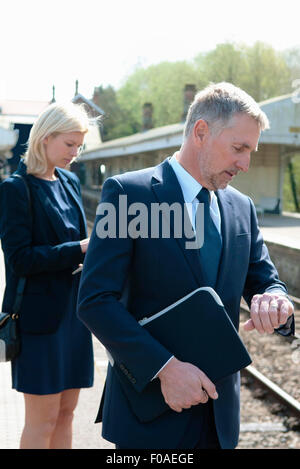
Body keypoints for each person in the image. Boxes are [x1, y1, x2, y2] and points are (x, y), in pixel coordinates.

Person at [77, 83, 294, 449]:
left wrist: (276, 300)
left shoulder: (242, 208)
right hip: (148, 419)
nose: (245, 164)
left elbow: (266, 281)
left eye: (250, 152)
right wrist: (165, 369)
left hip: (220, 422)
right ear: (201, 132)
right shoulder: (129, 194)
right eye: (238, 148)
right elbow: (95, 301)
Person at [0, 102, 94, 449]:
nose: (76, 152)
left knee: (67, 413)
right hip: (39, 321)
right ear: (44, 138)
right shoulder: (15, 189)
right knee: (43, 420)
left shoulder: (68, 181)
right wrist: (79, 249)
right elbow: (20, 259)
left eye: (79, 145)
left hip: (75, 315)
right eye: (69, 144)